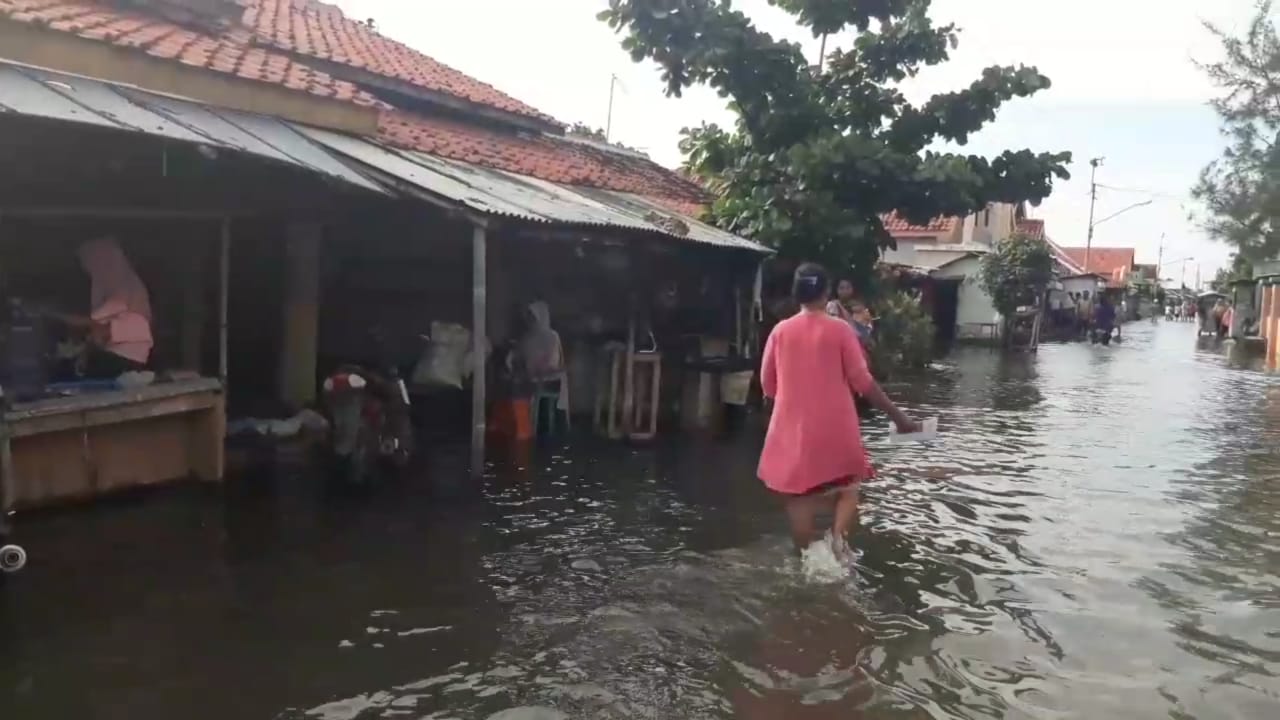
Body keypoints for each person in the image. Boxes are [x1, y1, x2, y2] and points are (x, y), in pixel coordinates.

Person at [759, 263, 918, 559]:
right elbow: (864, 383)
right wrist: (899, 417)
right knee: (848, 485)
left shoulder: (780, 332)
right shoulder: (840, 330)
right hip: (836, 428)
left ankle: (804, 555)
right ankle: (838, 541)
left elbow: (768, 386)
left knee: (800, 494)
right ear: (826, 293)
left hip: (793, 430)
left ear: (797, 293)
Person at [43, 237, 153, 378]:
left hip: (124, 358)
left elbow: (94, 322)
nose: (89, 267)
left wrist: (51, 314)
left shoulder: (122, 289)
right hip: (120, 356)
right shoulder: (123, 284)